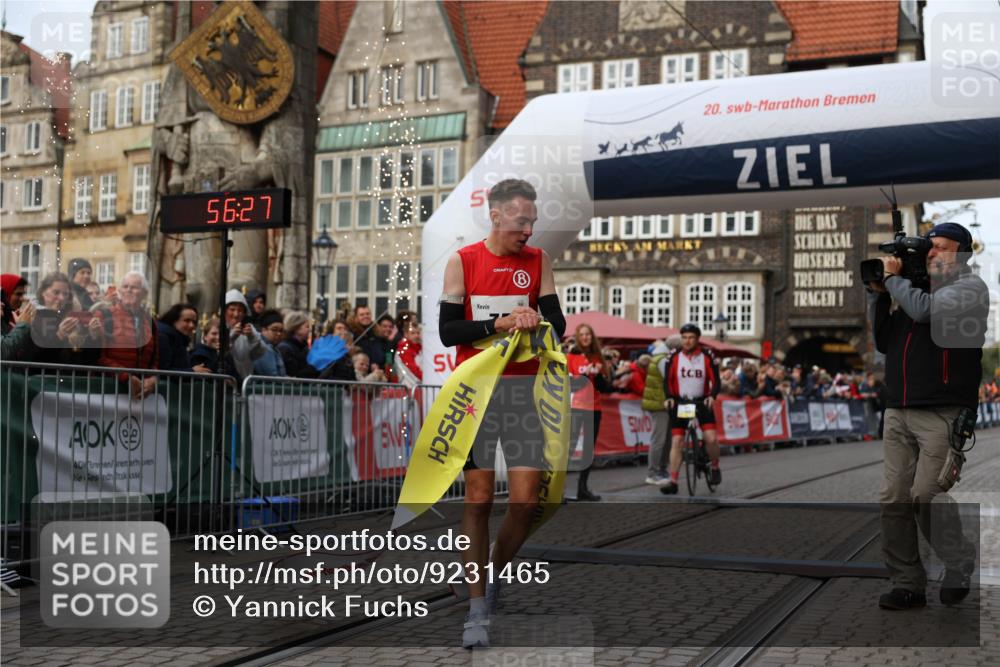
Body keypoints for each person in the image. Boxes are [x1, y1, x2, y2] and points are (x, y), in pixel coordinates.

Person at [438, 178, 566, 648]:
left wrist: (538, 319)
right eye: (521, 221)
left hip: (521, 393)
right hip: (475, 394)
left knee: (526, 502)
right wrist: (500, 322)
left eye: (532, 221)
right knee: (478, 497)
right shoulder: (464, 260)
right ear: (495, 215)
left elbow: (559, 324)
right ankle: (476, 608)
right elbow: (450, 331)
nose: (529, 230)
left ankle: (488, 572)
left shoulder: (538, 261)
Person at [867, 221, 983, 610]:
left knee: (926, 495)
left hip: (942, 410)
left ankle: (958, 559)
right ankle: (908, 584)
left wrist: (896, 282)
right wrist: (878, 294)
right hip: (899, 409)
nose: (933, 253)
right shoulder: (914, 288)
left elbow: (925, 312)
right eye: (929, 247)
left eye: (943, 247)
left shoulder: (969, 289)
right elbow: (884, 340)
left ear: (963, 253)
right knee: (894, 498)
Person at [661, 323, 721, 495]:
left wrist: (712, 396)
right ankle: (673, 481)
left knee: (711, 439)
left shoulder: (707, 356)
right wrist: (669, 398)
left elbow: (716, 380)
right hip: (683, 403)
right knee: (677, 441)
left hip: (702, 402)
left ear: (697, 339)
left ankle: (715, 466)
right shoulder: (673, 357)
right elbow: (667, 380)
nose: (687, 341)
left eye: (691, 338)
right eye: (684, 338)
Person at [95, 272, 159, 399]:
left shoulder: (150, 321)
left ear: (144, 293)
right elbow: (98, 357)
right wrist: (126, 377)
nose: (128, 290)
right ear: (119, 291)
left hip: (141, 394)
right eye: (125, 287)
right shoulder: (104, 315)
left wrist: (153, 379)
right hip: (108, 391)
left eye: (134, 287)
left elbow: (155, 361)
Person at [566, 323, 609, 501]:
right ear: (577, 336)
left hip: (594, 408)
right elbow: (570, 385)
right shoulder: (571, 357)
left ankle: (582, 489)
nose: (585, 337)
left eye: (588, 335)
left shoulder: (597, 357)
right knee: (568, 448)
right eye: (582, 334)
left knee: (588, 451)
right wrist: (585, 375)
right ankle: (557, 491)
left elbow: (604, 387)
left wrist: (598, 374)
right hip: (575, 407)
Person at [222, 289, 266, 379]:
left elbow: (260, 353)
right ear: (224, 311)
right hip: (226, 381)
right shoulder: (217, 328)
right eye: (232, 309)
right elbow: (219, 353)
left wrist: (252, 337)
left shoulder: (248, 329)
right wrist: (231, 337)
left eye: (240, 310)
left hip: (244, 380)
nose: (236, 314)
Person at [157, 303, 212, 373]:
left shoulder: (180, 339)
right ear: (174, 320)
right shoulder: (163, 338)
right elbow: (163, 370)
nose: (191, 325)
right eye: (187, 320)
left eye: (194, 322)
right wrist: (192, 371)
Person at [1, 274, 37, 361]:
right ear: (5, 294)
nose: (22, 299)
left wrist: (30, 329)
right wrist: (22, 326)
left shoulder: (14, 318)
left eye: (23, 294)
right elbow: (3, 352)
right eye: (18, 294)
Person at [278, 311, 318, 378]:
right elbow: (292, 372)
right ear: (296, 328)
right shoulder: (285, 348)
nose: (309, 330)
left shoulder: (303, 347)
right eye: (307, 326)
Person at [253, 309, 287, 377]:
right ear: (264, 330)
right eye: (274, 330)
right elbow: (272, 377)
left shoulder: (274, 348)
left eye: (281, 330)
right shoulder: (264, 348)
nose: (279, 334)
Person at [394, 317, 423, 383]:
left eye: (418, 333)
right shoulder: (404, 350)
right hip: (408, 388)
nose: (416, 336)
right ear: (406, 334)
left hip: (417, 387)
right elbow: (414, 370)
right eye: (412, 333)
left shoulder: (420, 349)